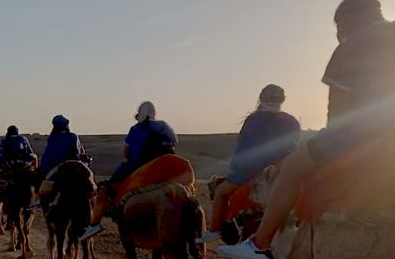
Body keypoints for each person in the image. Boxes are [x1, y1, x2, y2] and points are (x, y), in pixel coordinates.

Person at [218, 0, 395, 259]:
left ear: (348, 20)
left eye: (338, 26)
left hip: (377, 132)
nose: (338, 33)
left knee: (292, 167)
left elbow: (338, 116)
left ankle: (259, 243)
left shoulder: (355, 45)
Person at [196, 84, 301, 244]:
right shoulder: (291, 120)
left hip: (250, 171)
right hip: (281, 170)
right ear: (283, 100)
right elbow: (293, 147)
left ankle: (215, 230)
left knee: (220, 192)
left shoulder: (253, 119)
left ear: (261, 98)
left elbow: (243, 148)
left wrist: (235, 168)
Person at [78, 101, 178, 241]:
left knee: (105, 190)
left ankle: (94, 224)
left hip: (140, 167)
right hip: (167, 168)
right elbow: (174, 145)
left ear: (140, 115)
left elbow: (127, 153)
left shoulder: (136, 129)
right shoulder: (167, 127)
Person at [26, 115, 88, 210]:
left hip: (53, 163)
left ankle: (37, 198)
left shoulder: (52, 137)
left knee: (39, 175)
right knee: (87, 175)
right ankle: (93, 198)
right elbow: (79, 150)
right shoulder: (73, 136)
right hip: (73, 161)